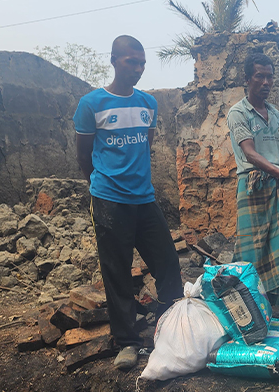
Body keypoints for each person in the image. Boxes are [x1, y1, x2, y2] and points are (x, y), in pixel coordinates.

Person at [73, 35, 183, 370]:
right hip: (109, 200)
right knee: (117, 273)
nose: (137, 68)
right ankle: (127, 342)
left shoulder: (148, 103)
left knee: (168, 264)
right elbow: (84, 156)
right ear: (114, 60)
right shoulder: (91, 104)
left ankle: (168, 330)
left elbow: (146, 147)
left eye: (142, 63)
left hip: (145, 199)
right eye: (131, 62)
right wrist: (102, 185)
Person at [227, 53, 279, 305]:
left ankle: (272, 306)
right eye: (260, 76)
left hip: (276, 188)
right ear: (248, 79)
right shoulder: (238, 113)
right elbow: (250, 152)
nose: (266, 82)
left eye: (270, 77)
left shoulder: (276, 115)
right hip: (253, 187)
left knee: (275, 248)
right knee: (251, 250)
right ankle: (244, 304)